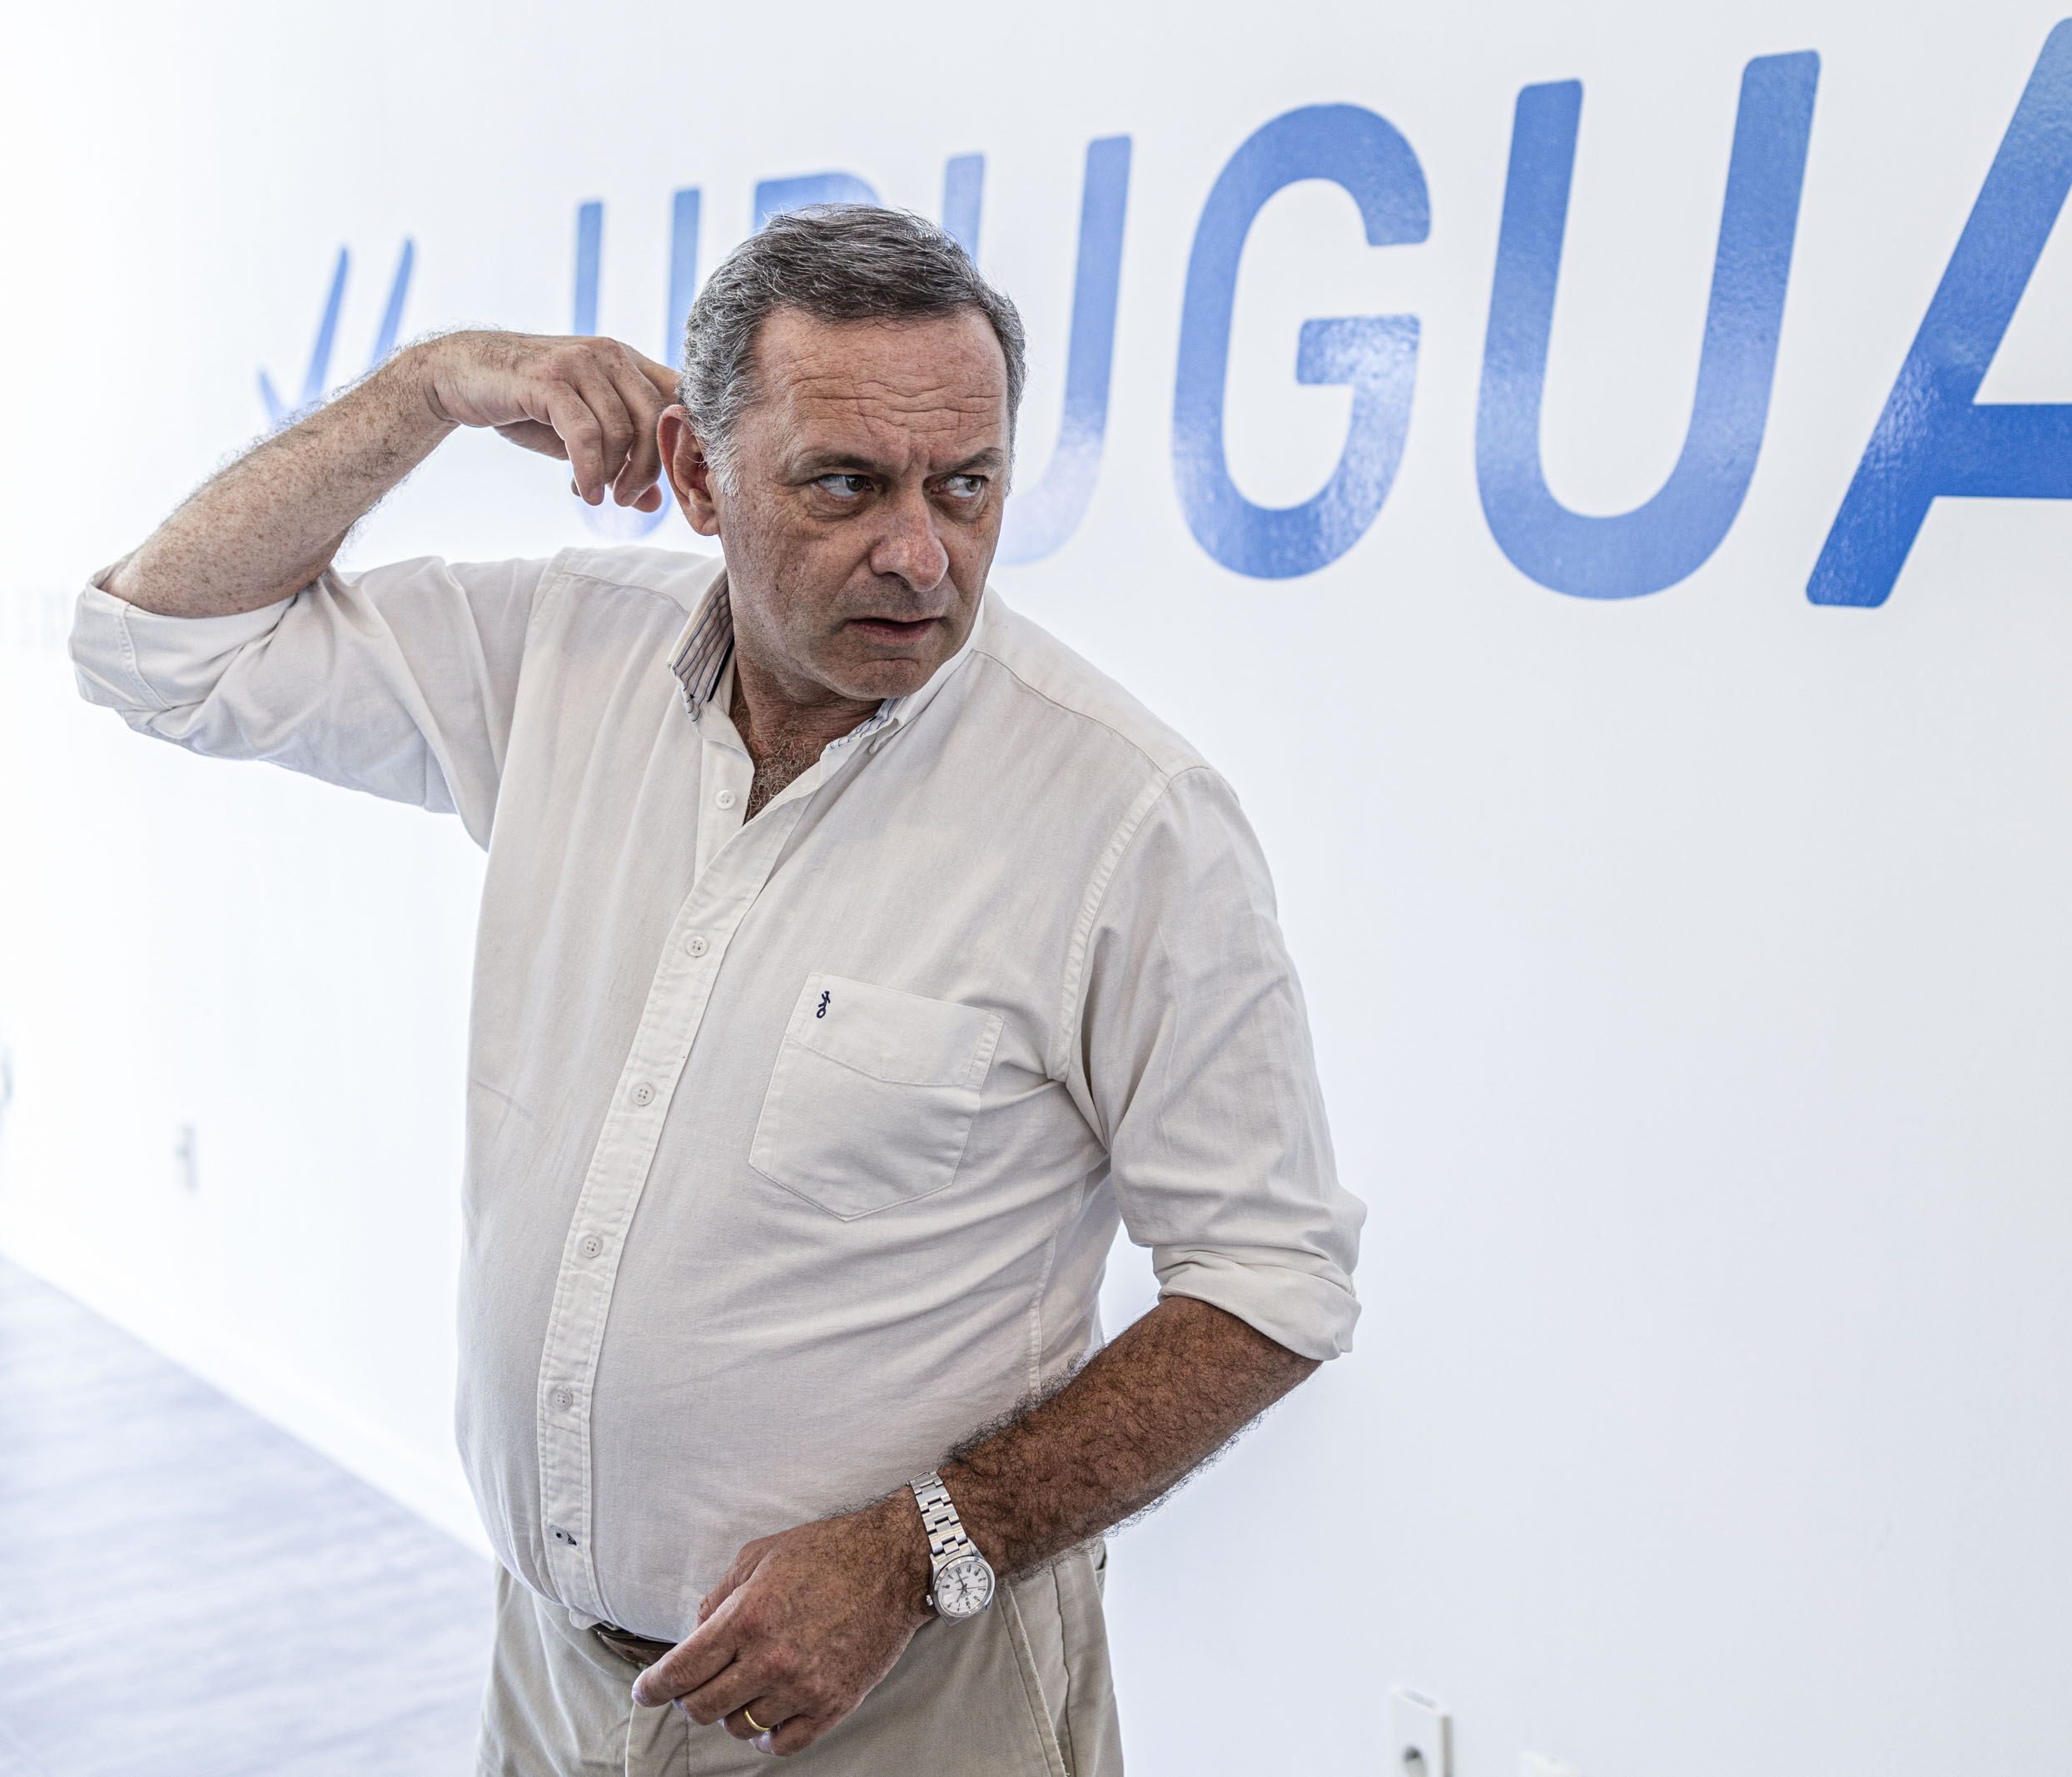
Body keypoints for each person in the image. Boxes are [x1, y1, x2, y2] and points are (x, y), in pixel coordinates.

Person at [70, 206, 1363, 1770]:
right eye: (846, 485)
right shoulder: (562, 655)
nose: (920, 553)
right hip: (555, 1677)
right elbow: (152, 648)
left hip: (905, 1701)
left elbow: (1272, 1281)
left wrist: (919, 1548)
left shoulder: (1128, 819)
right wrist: (428, 387)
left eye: (966, 486)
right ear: (696, 476)